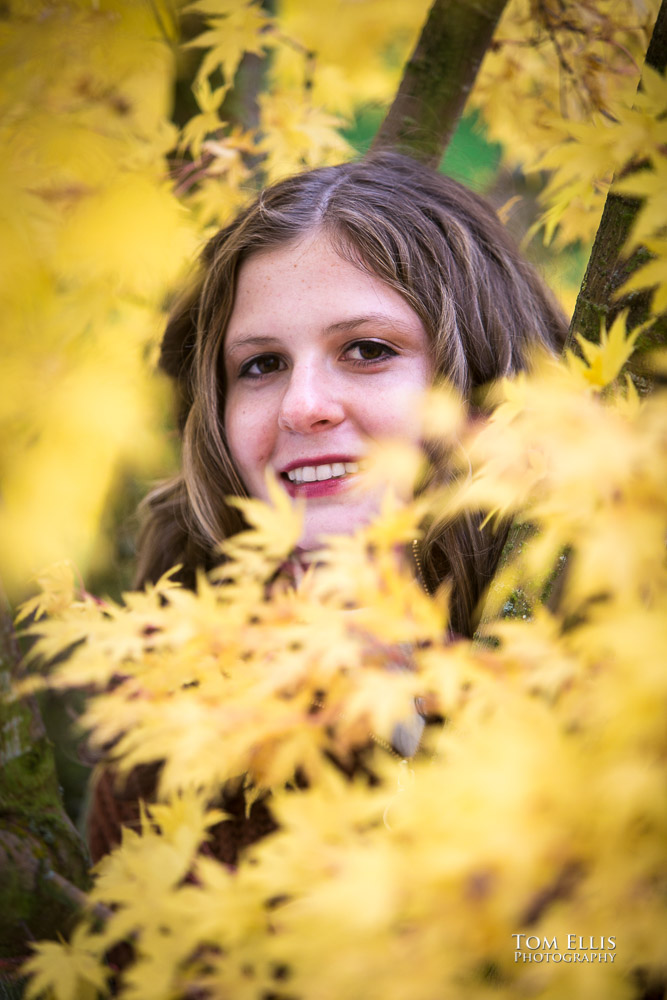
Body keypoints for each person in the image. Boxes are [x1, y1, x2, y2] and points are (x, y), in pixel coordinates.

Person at [87, 150, 568, 864]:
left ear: (488, 380)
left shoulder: (625, 659)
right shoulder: (166, 728)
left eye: (368, 350)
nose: (302, 406)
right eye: (260, 365)